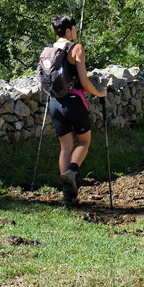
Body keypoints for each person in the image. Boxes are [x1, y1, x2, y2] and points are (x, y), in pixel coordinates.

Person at [46, 14, 106, 207]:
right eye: (74, 28)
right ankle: (71, 172)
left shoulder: (48, 51)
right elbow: (84, 81)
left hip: (55, 104)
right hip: (74, 102)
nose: (76, 31)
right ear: (68, 30)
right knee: (84, 141)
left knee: (65, 147)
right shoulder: (76, 48)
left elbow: (43, 84)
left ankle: (67, 196)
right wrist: (99, 93)